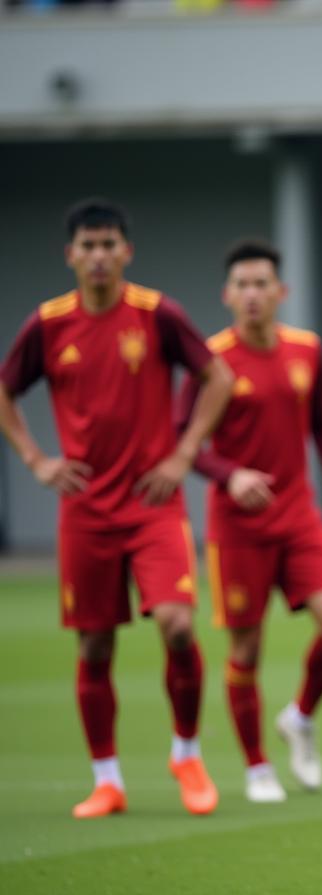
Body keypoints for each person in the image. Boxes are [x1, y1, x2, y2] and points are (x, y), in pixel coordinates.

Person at [0, 198, 233, 818]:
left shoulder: (157, 315)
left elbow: (217, 378)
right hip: (85, 512)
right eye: (88, 245)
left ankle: (186, 753)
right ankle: (106, 779)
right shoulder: (48, 325)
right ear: (70, 254)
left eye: (109, 245)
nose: (99, 256)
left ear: (126, 252)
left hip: (153, 505)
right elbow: (5, 389)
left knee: (178, 626)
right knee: (95, 647)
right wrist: (36, 460)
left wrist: (183, 455)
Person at [176, 239, 322, 803]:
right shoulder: (211, 361)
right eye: (242, 285)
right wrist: (229, 475)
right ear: (228, 295)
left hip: (299, 515)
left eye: (262, 284)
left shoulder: (307, 350)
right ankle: (256, 767)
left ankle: (300, 717)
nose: (253, 295)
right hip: (237, 526)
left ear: (282, 292)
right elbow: (184, 443)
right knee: (246, 651)